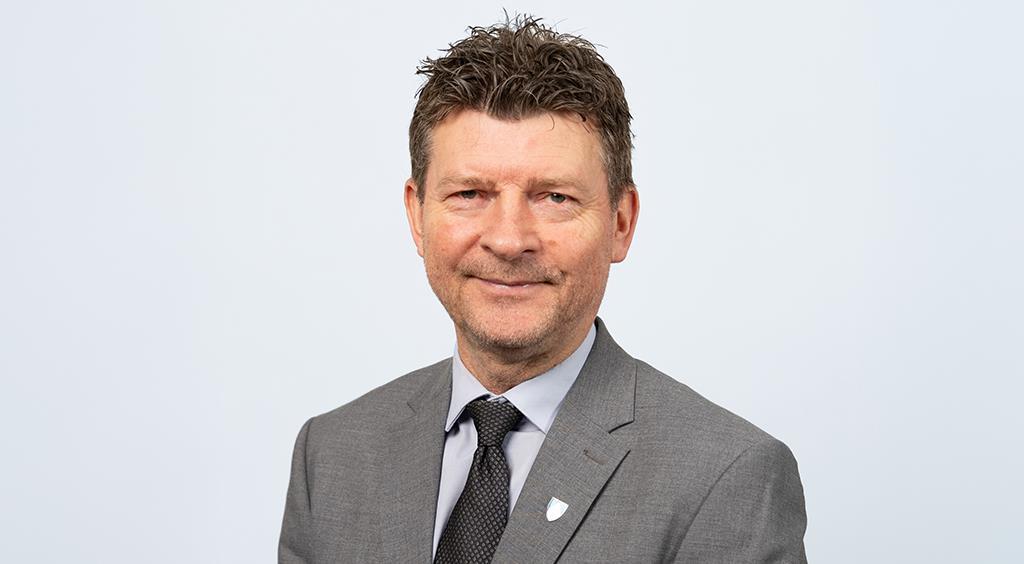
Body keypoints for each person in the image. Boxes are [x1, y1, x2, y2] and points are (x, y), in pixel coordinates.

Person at [279, 16, 807, 564]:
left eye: (554, 197)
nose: (509, 240)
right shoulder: (331, 455)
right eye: (469, 194)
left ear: (621, 222)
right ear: (417, 215)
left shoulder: (727, 479)